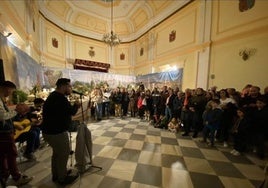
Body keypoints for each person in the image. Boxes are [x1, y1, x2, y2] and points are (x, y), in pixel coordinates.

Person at [41, 78, 80, 185]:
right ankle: (62, 178)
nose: (71, 88)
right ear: (63, 86)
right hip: (56, 132)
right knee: (63, 154)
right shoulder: (60, 99)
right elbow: (71, 112)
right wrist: (76, 104)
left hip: (49, 131)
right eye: (69, 86)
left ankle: (56, 174)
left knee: (57, 154)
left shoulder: (53, 96)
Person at [0, 81, 33, 186]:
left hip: (5, 132)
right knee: (11, 154)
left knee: (3, 155)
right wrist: (17, 111)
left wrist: (14, 123)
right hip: (4, 134)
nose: (10, 94)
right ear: (6, 88)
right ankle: (17, 177)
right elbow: (2, 117)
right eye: (11, 91)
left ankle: (5, 176)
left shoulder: (2, 99)